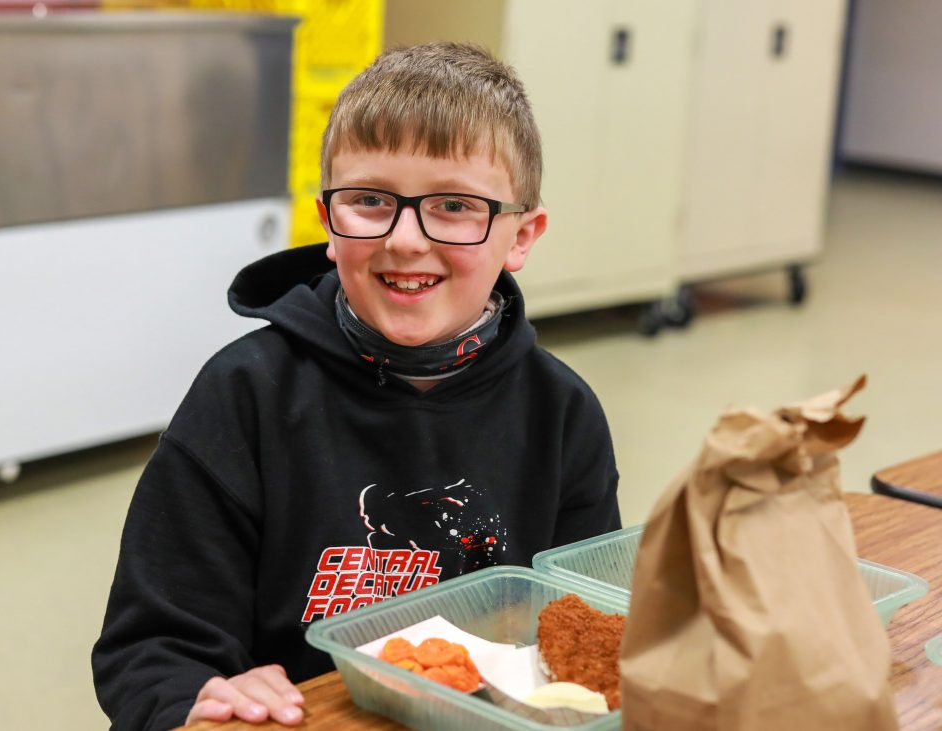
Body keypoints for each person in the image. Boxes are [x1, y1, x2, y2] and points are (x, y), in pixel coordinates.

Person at [92, 41, 620, 731]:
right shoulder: (244, 396)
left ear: (521, 235)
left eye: (455, 206)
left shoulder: (562, 413)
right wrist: (197, 695)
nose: (405, 239)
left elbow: (585, 633)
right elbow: (152, 647)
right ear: (327, 221)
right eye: (370, 201)